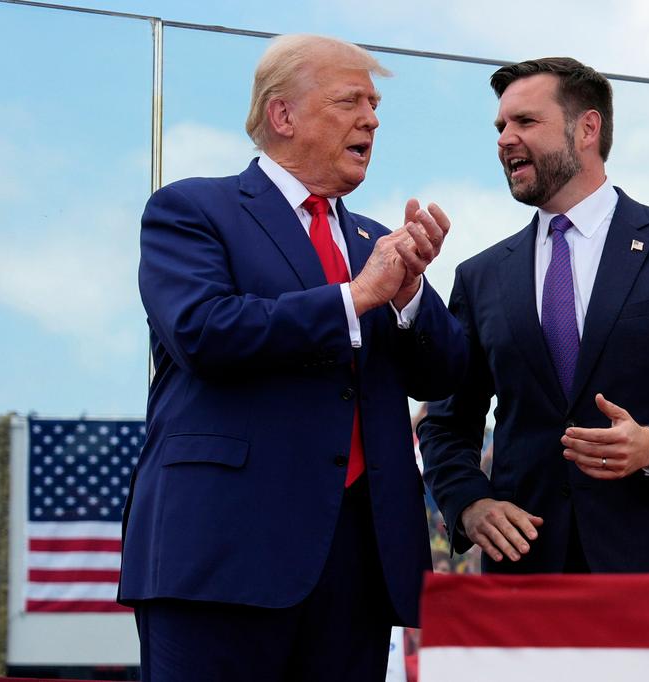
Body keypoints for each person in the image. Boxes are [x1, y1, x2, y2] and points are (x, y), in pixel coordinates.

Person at [119, 35, 467, 681]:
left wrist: (411, 292)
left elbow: (445, 373)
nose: (372, 119)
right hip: (221, 558)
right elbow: (203, 332)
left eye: (375, 104)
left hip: (359, 565)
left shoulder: (375, 242)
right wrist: (357, 295)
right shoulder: (193, 210)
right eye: (349, 101)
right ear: (283, 116)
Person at [418, 57, 649, 574]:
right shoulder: (480, 276)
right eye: (501, 126)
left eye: (526, 122)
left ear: (587, 129)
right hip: (526, 575)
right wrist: (469, 503)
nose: (505, 139)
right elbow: (446, 423)